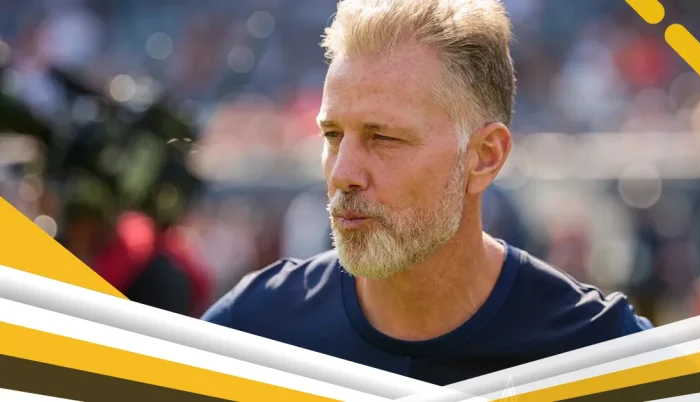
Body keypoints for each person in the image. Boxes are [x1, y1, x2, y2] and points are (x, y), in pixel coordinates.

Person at [203, 0, 652, 386]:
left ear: (485, 156)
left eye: (383, 138)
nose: (342, 173)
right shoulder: (253, 331)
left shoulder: (601, 355)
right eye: (333, 135)